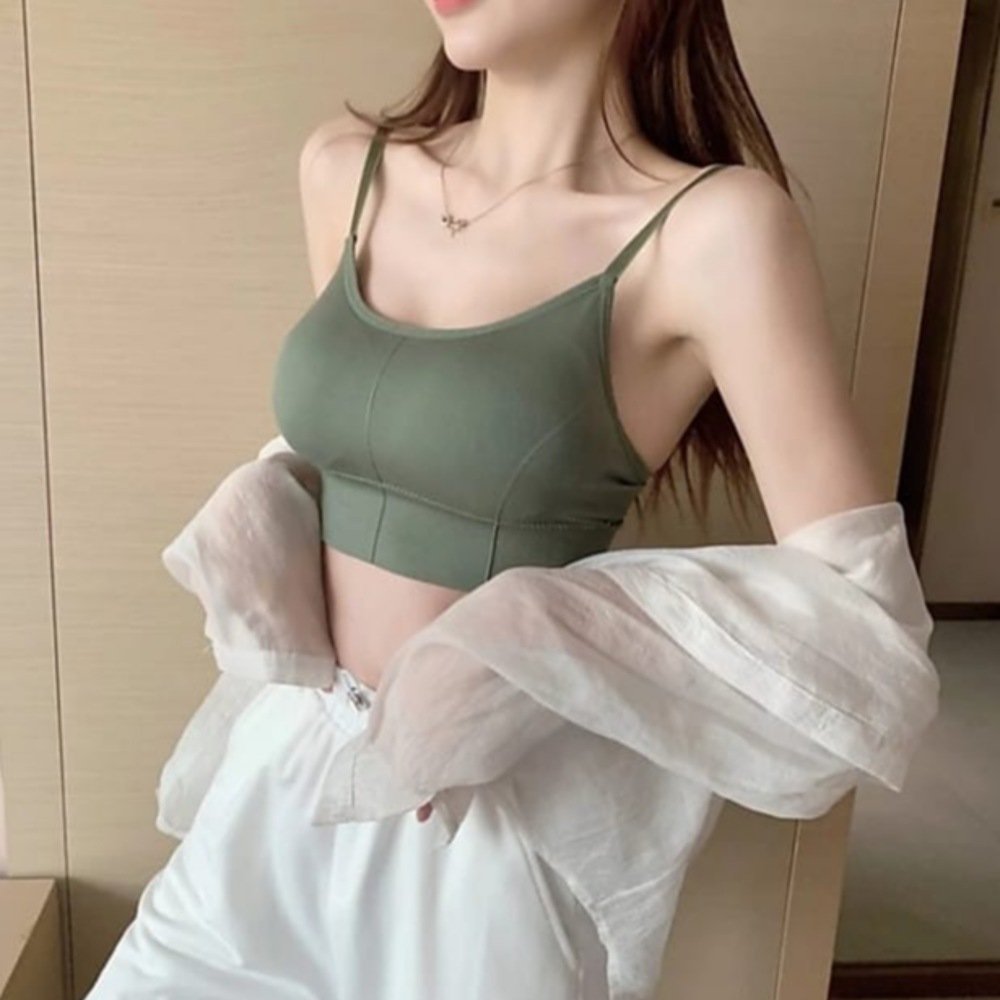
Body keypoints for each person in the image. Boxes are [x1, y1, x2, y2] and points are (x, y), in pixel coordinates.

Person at [85, 0, 891, 997]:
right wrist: (271, 506)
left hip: (477, 840)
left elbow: (866, 625)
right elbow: (383, 441)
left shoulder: (715, 231)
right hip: (280, 778)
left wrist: (533, 642)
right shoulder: (343, 169)